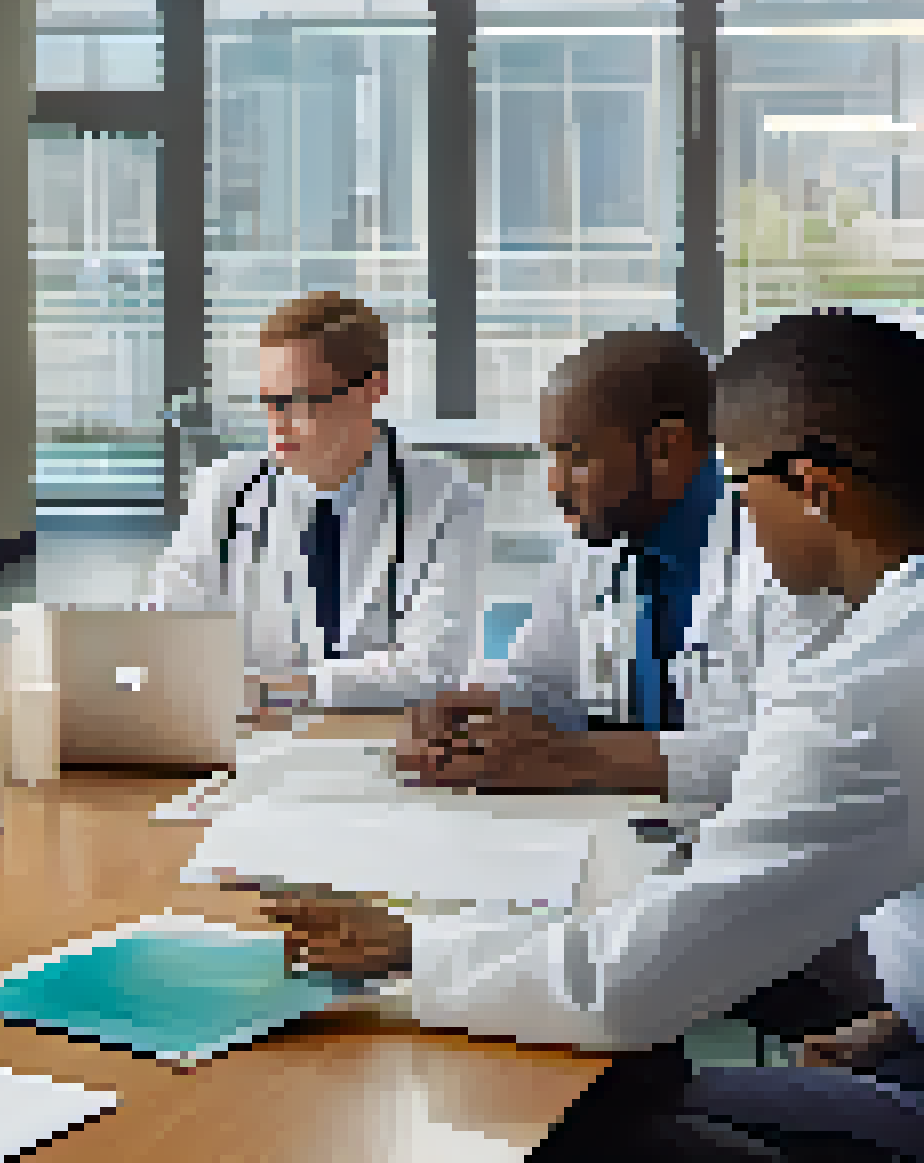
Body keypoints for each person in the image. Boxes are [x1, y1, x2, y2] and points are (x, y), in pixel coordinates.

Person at [263, 311, 924, 1161]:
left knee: (584, 1116)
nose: (742, 508)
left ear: (815, 490)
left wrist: (411, 950)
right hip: (899, 1038)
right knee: (635, 1079)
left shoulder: (870, 687)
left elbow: (620, 989)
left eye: (743, 479)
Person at [397, 328, 840, 800]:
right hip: (615, 829)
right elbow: (542, 682)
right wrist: (475, 711)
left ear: (666, 449)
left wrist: (581, 759)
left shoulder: (784, 552)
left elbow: (806, 749)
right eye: (551, 457)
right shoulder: (598, 541)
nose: (555, 486)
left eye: (577, 457)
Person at [145, 291, 488, 714]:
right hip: (246, 743)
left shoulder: (446, 500)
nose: (276, 423)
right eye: (268, 402)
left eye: (298, 400)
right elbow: (164, 638)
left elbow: (433, 670)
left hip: (383, 742)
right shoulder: (224, 490)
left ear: (373, 390)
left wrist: (273, 691)